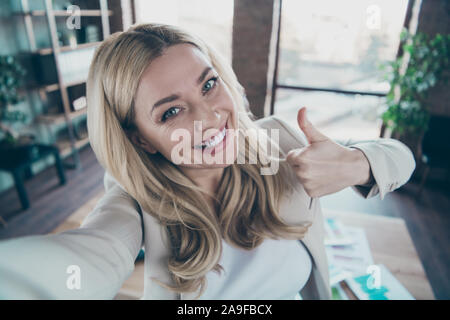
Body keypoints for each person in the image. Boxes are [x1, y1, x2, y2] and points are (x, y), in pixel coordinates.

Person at [0, 24, 415, 300]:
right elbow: (86, 260)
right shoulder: (132, 205)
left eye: (209, 84)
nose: (210, 116)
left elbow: (401, 157)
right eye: (170, 111)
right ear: (140, 140)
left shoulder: (278, 141)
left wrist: (357, 163)